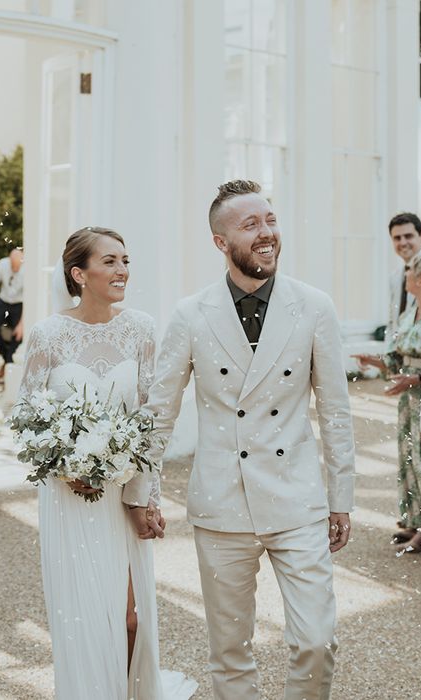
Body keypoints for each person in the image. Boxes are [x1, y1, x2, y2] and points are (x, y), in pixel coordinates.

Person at [133, 180, 355, 700]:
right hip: (221, 503)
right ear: (220, 241)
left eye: (271, 220)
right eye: (250, 225)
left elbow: (336, 410)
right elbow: (159, 411)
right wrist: (145, 489)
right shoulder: (191, 314)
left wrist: (340, 497)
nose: (267, 233)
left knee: (317, 640)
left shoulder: (315, 305)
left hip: (298, 498)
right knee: (230, 651)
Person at [18, 227, 197, 699]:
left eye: (126, 261)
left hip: (121, 493)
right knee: (84, 615)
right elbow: (24, 415)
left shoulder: (140, 328)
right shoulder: (48, 335)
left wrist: (149, 498)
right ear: (79, 273)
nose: (123, 271)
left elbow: (150, 419)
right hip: (69, 497)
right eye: (111, 261)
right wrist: (66, 463)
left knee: (131, 617)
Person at [354, 251, 421, 557]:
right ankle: (420, 524)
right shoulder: (411, 312)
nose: (405, 275)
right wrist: (374, 360)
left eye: (409, 270)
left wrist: (419, 379)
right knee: (410, 461)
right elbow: (398, 357)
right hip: (407, 401)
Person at [385, 213, 421, 343]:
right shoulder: (395, 277)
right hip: (400, 358)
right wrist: (387, 356)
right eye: (397, 238)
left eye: (408, 236)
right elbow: (393, 322)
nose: (403, 242)